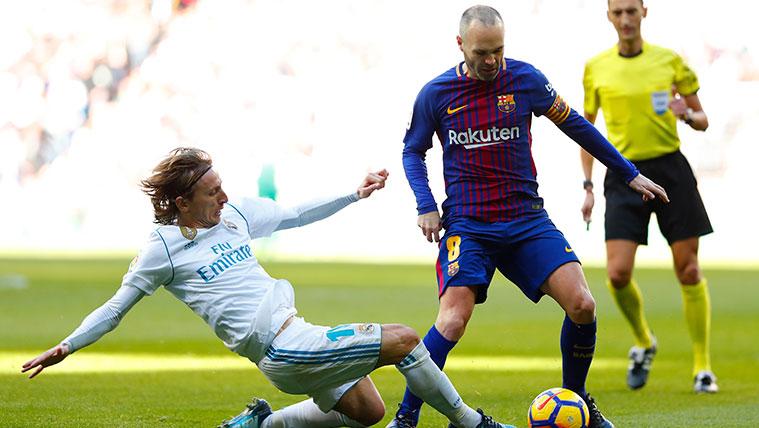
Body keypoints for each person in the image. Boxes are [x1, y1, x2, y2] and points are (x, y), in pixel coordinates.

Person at [21, 147, 516, 428]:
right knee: (406, 338)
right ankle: (472, 424)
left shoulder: (233, 216)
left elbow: (296, 213)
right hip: (281, 348)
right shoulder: (162, 251)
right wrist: (67, 346)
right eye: (212, 191)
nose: (225, 195)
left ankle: (262, 426)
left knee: (368, 410)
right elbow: (115, 309)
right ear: (181, 201)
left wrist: (355, 192)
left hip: (295, 336)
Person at [392, 5, 670, 428]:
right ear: (460, 44)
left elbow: (575, 124)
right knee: (452, 319)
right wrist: (425, 205)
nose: (491, 61)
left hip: (526, 220)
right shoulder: (436, 94)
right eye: (481, 52)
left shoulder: (525, 79)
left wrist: (627, 172)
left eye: (498, 51)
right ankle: (405, 418)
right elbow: (413, 150)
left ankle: (577, 405)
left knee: (582, 305)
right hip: (469, 225)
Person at [581, 0, 716, 393]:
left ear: (644, 12)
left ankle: (703, 367)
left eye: (631, 11)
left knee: (688, 270)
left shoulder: (670, 60)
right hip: (624, 172)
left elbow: (702, 119)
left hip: (671, 171)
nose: (625, 19)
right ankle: (643, 341)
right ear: (609, 15)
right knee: (617, 274)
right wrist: (587, 186)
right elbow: (585, 130)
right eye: (618, 11)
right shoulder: (596, 67)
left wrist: (686, 115)